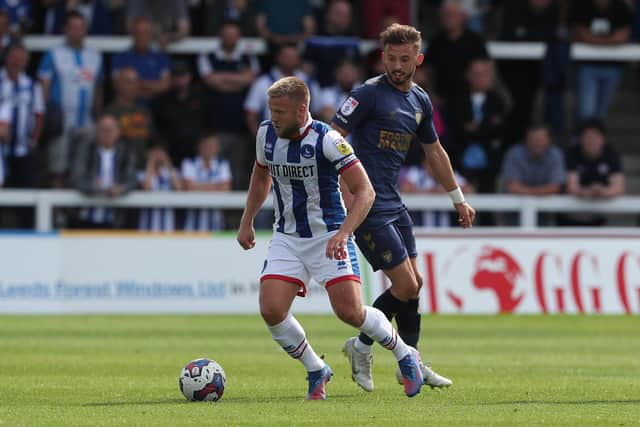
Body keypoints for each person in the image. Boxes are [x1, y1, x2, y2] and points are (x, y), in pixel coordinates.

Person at [237, 76, 425, 400]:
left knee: (350, 313)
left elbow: (365, 191)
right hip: (288, 236)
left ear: (301, 110)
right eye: (272, 110)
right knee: (271, 308)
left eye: (280, 111)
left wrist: (344, 233)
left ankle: (405, 354)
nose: (273, 117)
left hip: (328, 235)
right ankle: (315, 368)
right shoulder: (266, 134)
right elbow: (260, 174)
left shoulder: (328, 140)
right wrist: (247, 220)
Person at [331, 23, 475, 392]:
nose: (397, 65)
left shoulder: (420, 100)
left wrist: (457, 198)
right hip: (366, 203)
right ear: (383, 58)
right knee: (406, 284)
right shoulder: (366, 95)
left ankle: (404, 359)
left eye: (405, 59)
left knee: (415, 285)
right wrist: (342, 190)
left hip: (393, 202)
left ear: (418, 59)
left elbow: (434, 152)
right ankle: (370, 349)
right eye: (392, 59)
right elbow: (331, 139)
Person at [38, 11, 103, 188]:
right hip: (62, 121)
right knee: (58, 170)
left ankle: (74, 215)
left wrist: (98, 117)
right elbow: (44, 84)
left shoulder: (95, 55)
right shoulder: (54, 54)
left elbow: (98, 88)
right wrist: (47, 117)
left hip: (87, 123)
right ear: (65, 29)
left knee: (84, 169)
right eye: (73, 27)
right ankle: (57, 214)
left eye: (81, 27)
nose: (77, 31)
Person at [198, 19, 259, 189]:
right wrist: (239, 80)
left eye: (234, 35)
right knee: (213, 170)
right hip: (216, 127)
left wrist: (222, 78)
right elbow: (210, 80)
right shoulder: (208, 57)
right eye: (227, 35)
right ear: (220, 36)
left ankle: (234, 215)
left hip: (240, 128)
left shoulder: (248, 58)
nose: (230, 38)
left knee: (237, 173)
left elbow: (250, 79)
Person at [569, 0, 632, 122]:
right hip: (587, 65)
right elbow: (579, 33)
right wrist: (609, 41)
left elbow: (622, 36)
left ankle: (595, 139)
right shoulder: (581, 5)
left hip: (613, 65)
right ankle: (581, 138)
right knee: (586, 110)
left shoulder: (621, 7)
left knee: (601, 111)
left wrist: (593, 41)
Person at [71, 114, 137, 229]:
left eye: (110, 129)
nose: (107, 133)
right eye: (103, 129)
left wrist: (121, 188)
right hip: (84, 218)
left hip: (115, 220)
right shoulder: (86, 150)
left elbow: (132, 179)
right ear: (97, 132)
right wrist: (93, 185)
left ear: (118, 132)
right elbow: (76, 178)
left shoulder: (126, 152)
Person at [244, 44, 321, 137]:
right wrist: (259, 140)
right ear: (278, 58)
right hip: (272, 137)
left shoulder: (309, 83)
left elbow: (317, 113)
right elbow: (251, 114)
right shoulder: (263, 82)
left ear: (298, 59)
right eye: (287, 56)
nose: (290, 59)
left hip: (303, 139)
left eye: (293, 57)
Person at [561, 119, 624, 226]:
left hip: (597, 216)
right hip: (570, 216)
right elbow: (571, 187)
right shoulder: (571, 154)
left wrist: (601, 191)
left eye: (595, 137)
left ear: (603, 139)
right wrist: (589, 192)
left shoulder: (611, 155)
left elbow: (619, 188)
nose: (591, 141)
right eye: (587, 137)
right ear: (580, 139)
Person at [423, 0, 489, 103]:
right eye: (446, 15)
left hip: (469, 102)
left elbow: (486, 71)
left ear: (462, 17)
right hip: (442, 101)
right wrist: (431, 95)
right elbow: (426, 72)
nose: (448, 19)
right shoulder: (436, 42)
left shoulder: (475, 41)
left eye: (452, 15)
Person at [151, 60, 206, 167]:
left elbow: (207, 124)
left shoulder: (200, 99)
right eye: (176, 76)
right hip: (170, 154)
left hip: (196, 155)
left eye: (183, 75)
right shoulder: (161, 101)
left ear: (190, 76)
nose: (180, 79)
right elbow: (155, 128)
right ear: (171, 78)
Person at [400, 154, 475, 228]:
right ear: (424, 163)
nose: (434, 167)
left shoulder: (449, 175)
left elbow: (469, 189)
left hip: (446, 229)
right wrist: (430, 192)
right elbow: (405, 189)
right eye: (430, 163)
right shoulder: (416, 173)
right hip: (421, 228)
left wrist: (447, 191)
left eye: (436, 162)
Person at [181, 133, 232, 232]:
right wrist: (216, 187)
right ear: (200, 147)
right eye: (208, 146)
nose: (211, 149)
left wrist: (198, 187)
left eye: (213, 146)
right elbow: (188, 188)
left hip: (216, 224)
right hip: (192, 226)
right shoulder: (189, 163)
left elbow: (226, 189)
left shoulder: (223, 164)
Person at [104, 67, 154, 168]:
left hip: (143, 170)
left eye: (136, 82)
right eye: (129, 82)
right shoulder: (109, 113)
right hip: (120, 171)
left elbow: (153, 139)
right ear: (117, 85)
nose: (134, 86)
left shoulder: (143, 111)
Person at [112, 16, 170, 101]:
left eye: (145, 32)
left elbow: (164, 86)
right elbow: (118, 85)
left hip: (156, 108)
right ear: (132, 34)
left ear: (151, 35)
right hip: (129, 109)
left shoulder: (161, 58)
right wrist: (153, 87)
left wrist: (138, 83)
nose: (142, 36)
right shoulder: (120, 58)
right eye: (138, 32)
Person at [138, 145, 182, 232]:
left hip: (167, 223)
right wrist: (151, 163)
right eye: (154, 152)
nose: (158, 156)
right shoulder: (142, 173)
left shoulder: (172, 172)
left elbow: (178, 188)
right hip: (147, 224)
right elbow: (146, 187)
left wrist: (168, 164)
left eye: (160, 152)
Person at [125, 0, 190, 46]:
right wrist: (157, 35)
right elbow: (130, 26)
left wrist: (168, 38)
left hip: (170, 49)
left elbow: (184, 29)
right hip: (141, 50)